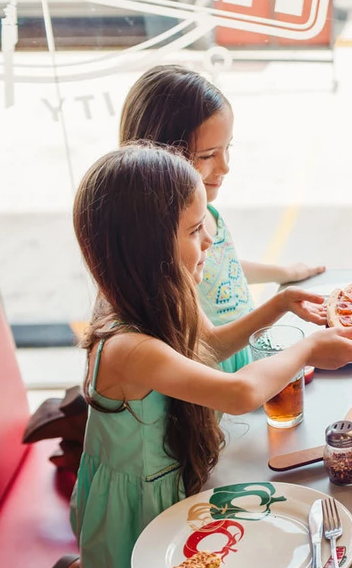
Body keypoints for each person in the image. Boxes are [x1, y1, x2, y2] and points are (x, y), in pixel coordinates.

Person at [69, 144, 352, 568]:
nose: (209, 239)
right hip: (134, 505)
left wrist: (278, 307)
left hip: (169, 483)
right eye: (194, 230)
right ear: (148, 248)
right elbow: (236, 393)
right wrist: (307, 350)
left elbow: (208, 346)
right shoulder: (128, 347)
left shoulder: (165, 297)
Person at [119, 64, 326, 372]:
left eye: (227, 148)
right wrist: (281, 305)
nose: (226, 166)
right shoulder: (164, 244)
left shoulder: (203, 215)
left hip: (246, 356)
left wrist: (283, 271)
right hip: (219, 376)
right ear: (160, 158)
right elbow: (211, 345)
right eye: (208, 155)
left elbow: (220, 266)